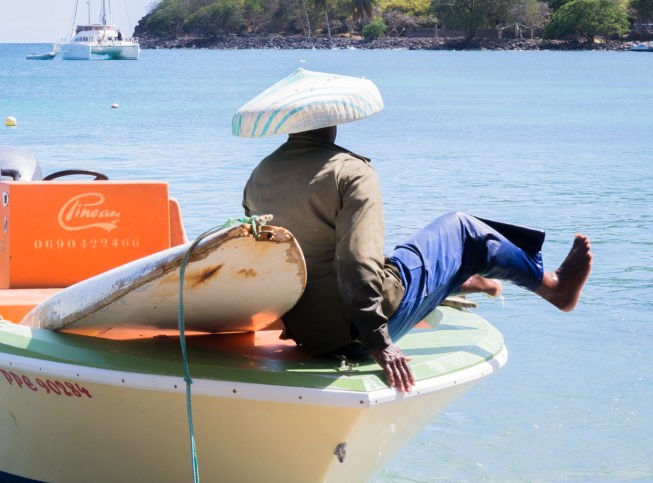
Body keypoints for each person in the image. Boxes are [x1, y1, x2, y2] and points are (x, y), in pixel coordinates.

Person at [243, 125, 592, 393]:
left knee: (402, 255)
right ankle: (554, 288)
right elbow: (356, 263)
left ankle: (459, 274)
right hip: (355, 331)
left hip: (309, 333)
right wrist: (380, 342)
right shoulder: (350, 172)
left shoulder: (260, 176)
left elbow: (266, 256)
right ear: (335, 117)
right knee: (464, 230)